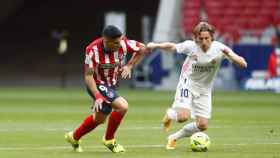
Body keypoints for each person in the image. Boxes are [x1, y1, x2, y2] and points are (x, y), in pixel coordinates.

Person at [147, 22, 247, 150]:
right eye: (201, 39)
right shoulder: (191, 46)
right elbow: (172, 46)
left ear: (212, 38)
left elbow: (241, 61)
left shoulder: (220, 49)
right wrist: (155, 45)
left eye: (207, 38)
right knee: (183, 117)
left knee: (203, 125)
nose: (204, 42)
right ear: (196, 38)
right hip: (187, 84)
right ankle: (170, 114)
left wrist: (238, 60)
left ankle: (173, 138)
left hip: (205, 89)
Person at [65, 25, 147, 153]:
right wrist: (97, 95)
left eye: (120, 41)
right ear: (106, 40)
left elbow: (142, 48)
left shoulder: (123, 43)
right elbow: (88, 75)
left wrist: (129, 66)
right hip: (96, 84)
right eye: (116, 43)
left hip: (111, 84)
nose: (119, 44)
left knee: (99, 119)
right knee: (122, 106)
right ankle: (109, 139)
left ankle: (74, 136)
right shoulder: (92, 50)